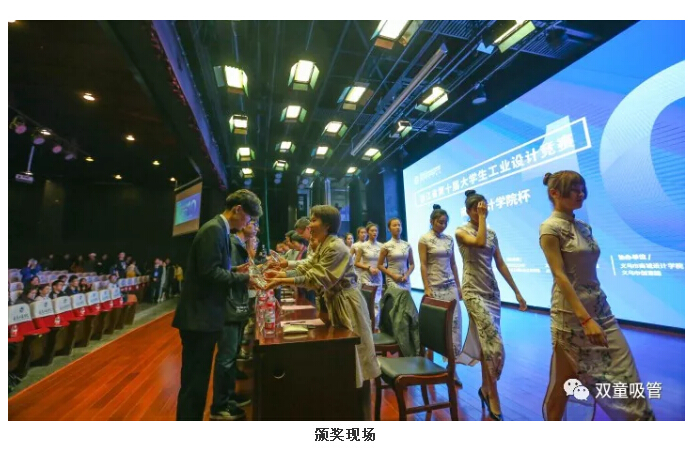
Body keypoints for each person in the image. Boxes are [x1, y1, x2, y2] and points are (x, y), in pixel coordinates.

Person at [539, 171, 654, 421]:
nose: (580, 194)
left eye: (582, 188)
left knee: (626, 376)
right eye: (574, 189)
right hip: (571, 318)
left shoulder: (583, 226)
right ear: (554, 193)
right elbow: (560, 276)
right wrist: (585, 319)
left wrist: (594, 316)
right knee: (562, 385)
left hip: (601, 311)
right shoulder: (549, 228)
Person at [264, 205, 379, 420]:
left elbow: (317, 278)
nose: (310, 224)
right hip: (336, 301)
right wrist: (284, 269)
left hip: (348, 305)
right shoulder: (325, 243)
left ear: (327, 225)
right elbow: (308, 264)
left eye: (314, 220)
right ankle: (346, 410)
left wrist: (281, 279)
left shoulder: (336, 247)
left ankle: (363, 417)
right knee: (346, 360)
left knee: (358, 361)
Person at [172, 189, 263, 421]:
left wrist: (236, 270)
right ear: (238, 209)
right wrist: (244, 277)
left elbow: (214, 269)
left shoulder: (219, 229)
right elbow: (209, 273)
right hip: (199, 318)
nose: (247, 223)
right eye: (248, 218)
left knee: (199, 381)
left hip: (205, 317)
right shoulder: (214, 229)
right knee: (194, 383)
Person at [454, 190, 527, 421]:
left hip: (491, 292)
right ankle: (493, 394)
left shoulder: (493, 233)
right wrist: (483, 219)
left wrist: (517, 291)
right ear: (469, 211)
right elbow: (478, 242)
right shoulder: (461, 231)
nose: (482, 211)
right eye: (477, 208)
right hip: (473, 291)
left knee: (487, 344)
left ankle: (486, 388)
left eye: (484, 207)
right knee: (494, 345)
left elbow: (500, 263)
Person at [209, 218, 258, 420]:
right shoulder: (231, 242)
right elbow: (228, 273)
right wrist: (246, 275)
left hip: (236, 305)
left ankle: (229, 397)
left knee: (231, 355)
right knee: (227, 357)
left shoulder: (239, 244)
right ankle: (220, 405)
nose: (256, 228)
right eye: (253, 222)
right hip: (229, 306)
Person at [418, 204, 463, 386]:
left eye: (445, 223)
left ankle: (452, 369)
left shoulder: (449, 239)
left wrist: (458, 286)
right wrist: (426, 287)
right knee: (434, 327)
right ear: (432, 221)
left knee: (454, 326)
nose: (442, 225)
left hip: (450, 286)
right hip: (434, 286)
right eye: (440, 222)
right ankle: (428, 364)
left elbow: (453, 264)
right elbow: (423, 265)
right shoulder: (424, 239)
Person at [354, 222, 384, 314]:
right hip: (366, 276)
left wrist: (379, 268)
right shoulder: (362, 246)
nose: (374, 232)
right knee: (367, 300)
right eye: (372, 230)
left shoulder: (382, 246)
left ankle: (376, 322)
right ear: (368, 232)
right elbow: (356, 262)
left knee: (377, 301)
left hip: (378, 276)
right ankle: (367, 321)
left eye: (376, 230)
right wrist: (368, 267)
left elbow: (385, 263)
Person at [378, 218, 414, 291]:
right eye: (394, 225)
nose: (397, 227)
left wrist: (406, 275)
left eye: (399, 225)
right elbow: (380, 265)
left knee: (406, 298)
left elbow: (412, 264)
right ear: (389, 229)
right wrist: (393, 275)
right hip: (392, 279)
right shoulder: (386, 246)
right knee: (395, 298)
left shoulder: (407, 245)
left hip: (405, 279)